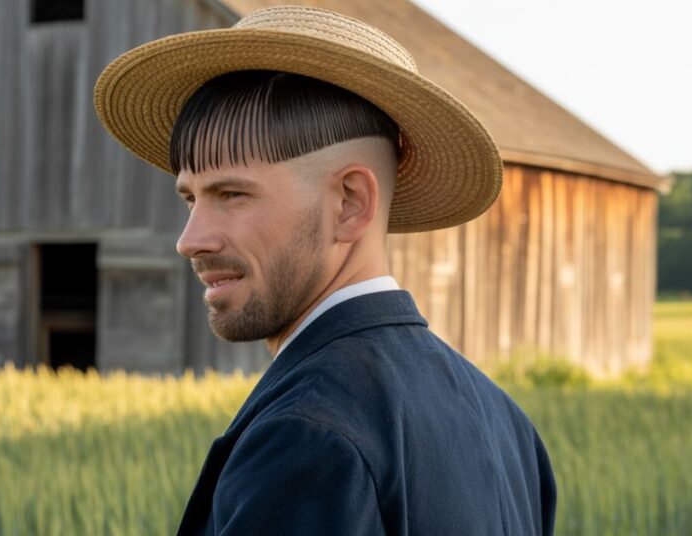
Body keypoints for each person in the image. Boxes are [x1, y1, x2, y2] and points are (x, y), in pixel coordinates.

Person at [95, 6, 556, 535]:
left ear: (349, 203)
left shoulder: (306, 434)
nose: (190, 240)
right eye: (190, 199)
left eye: (232, 194)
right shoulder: (508, 427)